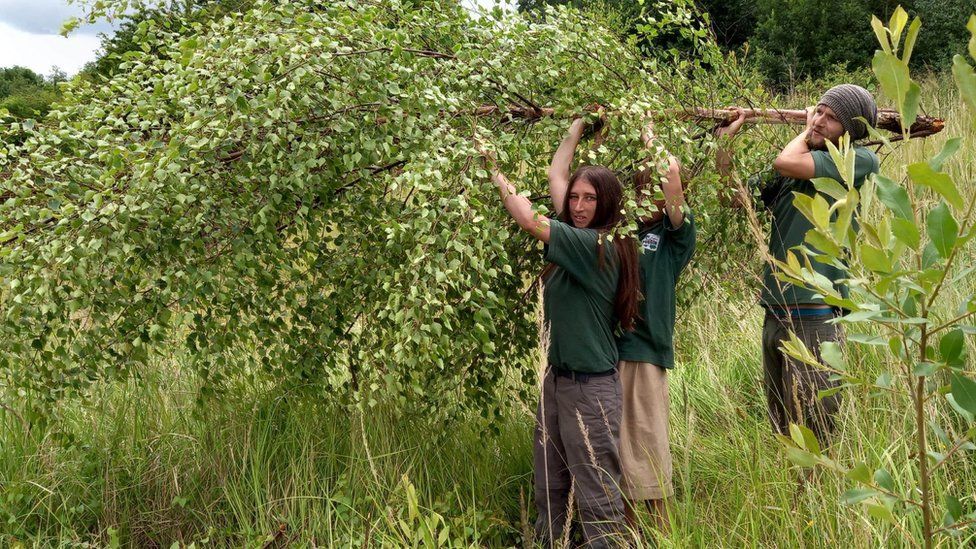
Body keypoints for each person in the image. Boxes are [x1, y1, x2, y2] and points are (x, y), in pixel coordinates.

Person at [478, 118, 640, 548]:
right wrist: (576, 126)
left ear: (608, 206)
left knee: (597, 498)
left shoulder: (598, 247)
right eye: (575, 198)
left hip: (590, 390)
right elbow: (557, 175)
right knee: (550, 488)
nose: (580, 205)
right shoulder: (577, 234)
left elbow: (530, 220)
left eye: (591, 199)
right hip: (558, 381)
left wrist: (493, 168)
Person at [715, 84, 880, 445]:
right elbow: (734, 197)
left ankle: (819, 495)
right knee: (783, 427)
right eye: (818, 111)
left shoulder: (858, 159)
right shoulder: (797, 167)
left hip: (816, 312)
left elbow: (786, 160)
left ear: (852, 130)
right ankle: (793, 496)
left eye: (831, 118)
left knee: (815, 427)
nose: (819, 120)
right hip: (776, 309)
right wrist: (725, 144)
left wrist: (805, 131)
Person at [613, 115, 695, 534]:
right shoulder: (622, 233)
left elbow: (672, 174)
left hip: (645, 354)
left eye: (655, 190)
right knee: (623, 453)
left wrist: (647, 129)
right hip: (611, 353)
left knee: (649, 446)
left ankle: (663, 535)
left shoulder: (673, 236)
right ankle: (629, 537)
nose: (649, 196)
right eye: (641, 188)